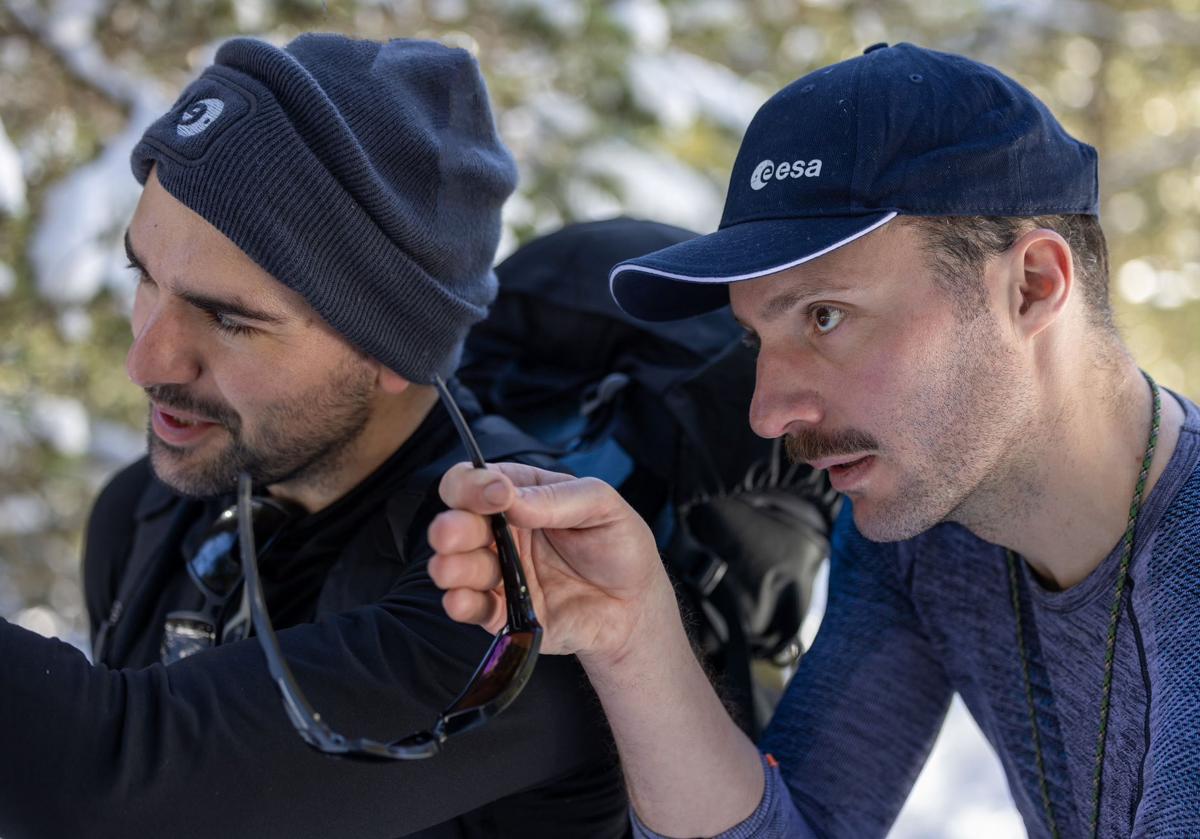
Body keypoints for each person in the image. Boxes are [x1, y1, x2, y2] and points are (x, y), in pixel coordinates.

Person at [429, 42, 1200, 838]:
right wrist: (635, 631)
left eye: (825, 315)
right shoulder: (927, 538)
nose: (767, 412)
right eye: (757, 337)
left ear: (1032, 286)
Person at [0, 34, 629, 839]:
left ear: (394, 346)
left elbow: (114, 783)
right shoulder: (147, 517)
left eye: (229, 318)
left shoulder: (518, 585)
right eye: (143, 278)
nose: (145, 359)